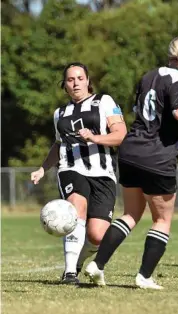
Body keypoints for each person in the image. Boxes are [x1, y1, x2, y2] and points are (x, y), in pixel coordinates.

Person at [84, 36, 178, 289]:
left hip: (131, 151)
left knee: (131, 214)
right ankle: (144, 276)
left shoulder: (148, 76)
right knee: (162, 220)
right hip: (156, 155)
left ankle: (97, 264)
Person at [31, 62, 127, 285]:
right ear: (64, 85)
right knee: (77, 206)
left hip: (103, 174)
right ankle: (69, 273)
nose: (75, 83)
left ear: (88, 81)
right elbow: (58, 145)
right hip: (71, 168)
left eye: (80, 78)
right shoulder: (60, 113)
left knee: (96, 235)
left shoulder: (104, 102)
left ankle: (79, 261)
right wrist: (43, 168)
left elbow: (121, 135)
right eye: (70, 80)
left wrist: (95, 138)